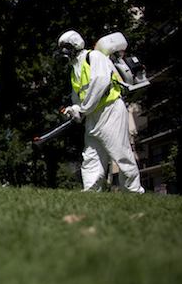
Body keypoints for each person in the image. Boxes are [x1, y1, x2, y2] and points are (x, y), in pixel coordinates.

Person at [57, 30, 144, 193]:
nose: (64, 52)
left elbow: (100, 82)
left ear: (76, 44)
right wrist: (75, 109)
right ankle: (91, 190)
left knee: (120, 151)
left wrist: (82, 109)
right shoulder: (73, 70)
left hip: (110, 109)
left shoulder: (94, 57)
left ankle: (133, 191)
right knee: (91, 155)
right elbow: (78, 96)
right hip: (92, 116)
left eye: (67, 47)